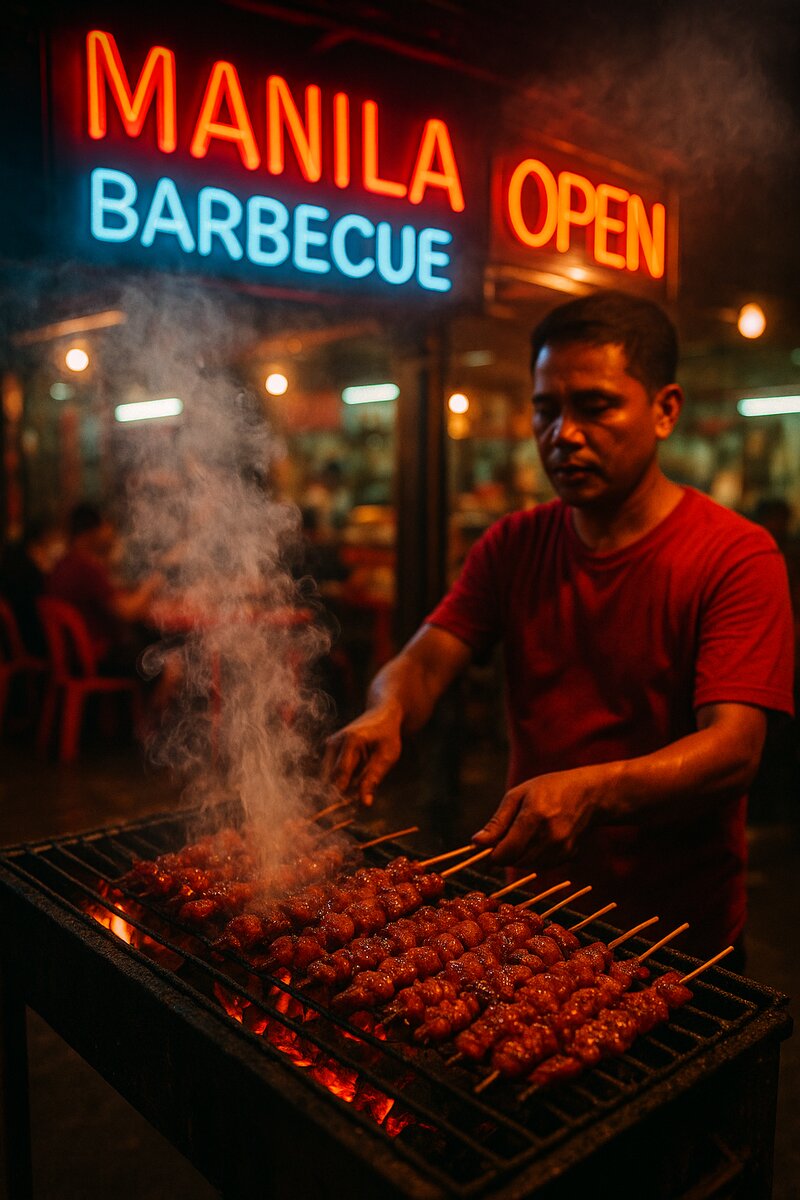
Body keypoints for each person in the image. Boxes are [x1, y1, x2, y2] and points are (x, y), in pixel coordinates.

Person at [324, 290, 795, 965]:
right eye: (546, 410)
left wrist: (594, 790)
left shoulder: (735, 555)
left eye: (595, 407)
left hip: (679, 945)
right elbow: (426, 662)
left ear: (665, 411)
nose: (563, 434)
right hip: (532, 921)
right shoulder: (514, 545)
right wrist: (387, 710)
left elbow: (735, 749)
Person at [47, 502, 163, 672]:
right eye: (104, 526)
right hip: (95, 658)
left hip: (71, 656)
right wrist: (151, 585)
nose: (109, 532)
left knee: (150, 644)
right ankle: (147, 699)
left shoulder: (63, 563)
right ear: (91, 532)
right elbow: (127, 612)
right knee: (166, 663)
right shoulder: (85, 567)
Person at [0, 518, 65, 656]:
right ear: (39, 543)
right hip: (33, 644)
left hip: (11, 646)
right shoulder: (30, 573)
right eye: (54, 540)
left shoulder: (12, 564)